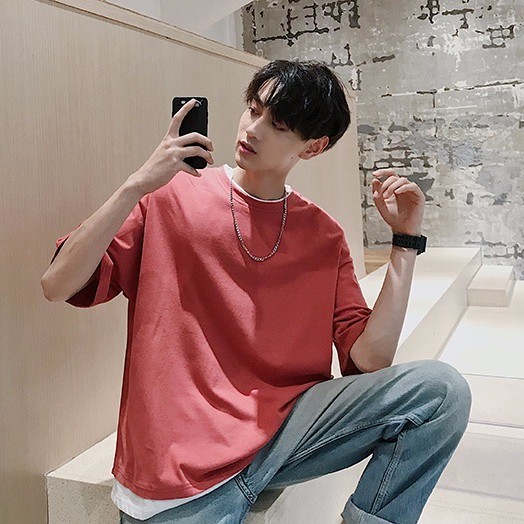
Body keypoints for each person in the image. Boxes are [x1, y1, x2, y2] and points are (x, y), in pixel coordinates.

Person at [41, 60, 472, 524]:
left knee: (441, 392)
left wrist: (404, 242)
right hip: (181, 461)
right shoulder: (171, 196)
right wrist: (136, 185)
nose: (253, 129)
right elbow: (56, 284)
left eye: (278, 125)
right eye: (253, 109)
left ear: (313, 146)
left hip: (287, 433)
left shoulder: (323, 234)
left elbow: (370, 359)